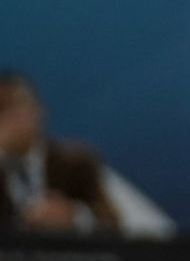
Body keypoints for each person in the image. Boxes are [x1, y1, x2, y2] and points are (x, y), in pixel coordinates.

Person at [0, 71, 120, 235]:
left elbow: (113, 224)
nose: (11, 120)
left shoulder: (76, 162)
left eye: (18, 108)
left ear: (39, 111)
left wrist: (76, 217)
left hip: (69, 258)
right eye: (3, 111)